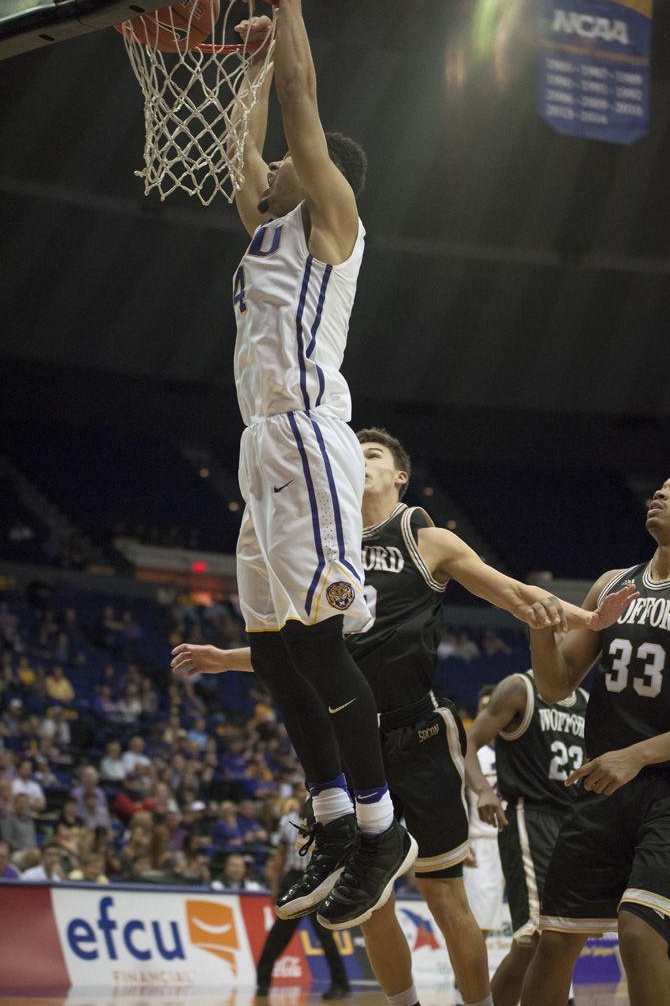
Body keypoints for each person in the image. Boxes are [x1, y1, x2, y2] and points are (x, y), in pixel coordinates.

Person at [172, 428, 632, 1006]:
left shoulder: (425, 537)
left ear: (400, 476)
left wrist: (588, 621)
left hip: (415, 732)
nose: (360, 463)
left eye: (373, 455)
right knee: (372, 903)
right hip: (349, 737)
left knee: (444, 896)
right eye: (353, 455)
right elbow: (304, 649)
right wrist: (234, 659)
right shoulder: (320, 547)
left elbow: (513, 594)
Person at [224, 0, 416, 931]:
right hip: (261, 443)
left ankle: (381, 828)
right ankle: (335, 815)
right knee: (270, 652)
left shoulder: (333, 220)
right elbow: (238, 160)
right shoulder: (268, 231)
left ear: (320, 171)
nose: (274, 173)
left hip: (307, 436)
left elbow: (302, 113)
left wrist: (289, 17)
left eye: (290, 164)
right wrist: (249, 67)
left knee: (314, 639)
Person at [521, 478, 670, 1006]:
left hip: (663, 788)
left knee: (640, 929)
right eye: (660, 487)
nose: (659, 493)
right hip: (603, 785)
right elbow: (557, 685)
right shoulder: (613, 584)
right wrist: (540, 628)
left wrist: (639, 754)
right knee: (556, 938)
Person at [468, 669, 588, 1006]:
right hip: (529, 816)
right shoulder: (520, 688)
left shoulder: (587, 703)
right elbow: (469, 743)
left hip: (573, 823)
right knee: (537, 938)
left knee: (553, 942)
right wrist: (482, 791)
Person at [256, 798, 351, 1000]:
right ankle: (262, 981)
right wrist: (275, 888)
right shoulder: (287, 820)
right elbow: (280, 857)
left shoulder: (327, 821)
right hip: (293, 878)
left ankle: (341, 984)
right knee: (279, 934)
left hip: (319, 879)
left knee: (325, 934)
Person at [462, 686, 506, 937]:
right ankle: (463, 979)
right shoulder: (471, 754)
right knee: (479, 925)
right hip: (483, 844)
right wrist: (461, 841)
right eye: (483, 708)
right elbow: (455, 798)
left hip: (515, 840)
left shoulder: (516, 749)